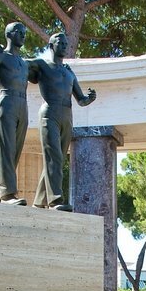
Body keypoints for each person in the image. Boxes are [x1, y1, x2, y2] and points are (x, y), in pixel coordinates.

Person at [29, 32, 96, 211]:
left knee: (56, 159)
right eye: (61, 42)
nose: (66, 45)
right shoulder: (41, 64)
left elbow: (80, 99)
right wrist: (1, 52)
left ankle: (39, 201)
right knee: (54, 157)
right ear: (51, 45)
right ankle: (55, 200)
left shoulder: (69, 72)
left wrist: (90, 98)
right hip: (49, 112)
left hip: (67, 115)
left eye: (67, 42)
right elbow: (19, 65)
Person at [0, 22, 29, 206]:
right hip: (5, 101)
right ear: (9, 34)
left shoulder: (24, 63)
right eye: (19, 32)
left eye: (25, 32)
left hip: (22, 105)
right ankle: (7, 195)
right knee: (6, 149)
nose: (23, 35)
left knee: (12, 152)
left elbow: (43, 70)